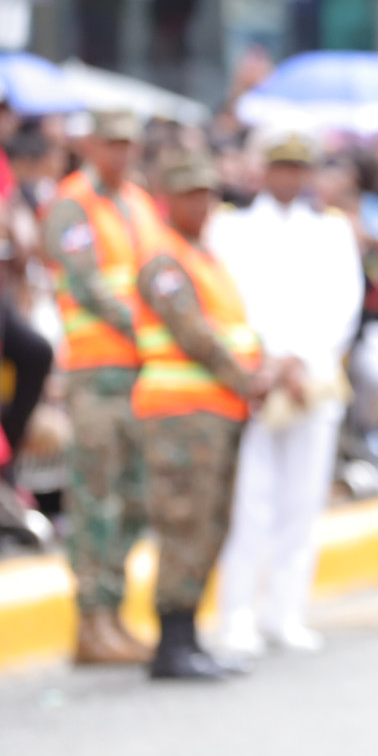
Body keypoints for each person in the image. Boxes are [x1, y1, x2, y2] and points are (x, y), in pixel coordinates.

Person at [209, 131, 364, 655]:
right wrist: (271, 361)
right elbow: (229, 300)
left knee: (302, 501)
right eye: (282, 167)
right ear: (265, 171)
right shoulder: (231, 228)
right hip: (257, 377)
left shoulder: (331, 230)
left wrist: (301, 359)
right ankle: (238, 614)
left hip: (312, 379)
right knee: (249, 501)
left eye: (299, 168)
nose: (290, 177)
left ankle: (285, 611)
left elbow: (343, 304)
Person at [133, 147, 275, 680]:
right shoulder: (164, 260)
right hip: (181, 413)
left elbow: (234, 329)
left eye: (207, 194)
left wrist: (259, 368)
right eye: (190, 194)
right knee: (183, 523)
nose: (202, 204)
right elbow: (194, 334)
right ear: (167, 198)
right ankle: (172, 643)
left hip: (217, 411)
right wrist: (248, 378)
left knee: (210, 523)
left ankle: (189, 636)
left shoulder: (204, 257)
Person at [41, 112, 161, 665]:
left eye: (128, 144)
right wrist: (150, 330)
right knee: (96, 496)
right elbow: (86, 283)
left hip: (141, 371)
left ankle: (113, 613)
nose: (122, 153)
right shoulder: (72, 203)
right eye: (112, 143)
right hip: (96, 371)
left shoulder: (139, 203)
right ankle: (91, 620)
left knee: (134, 496)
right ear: (90, 145)